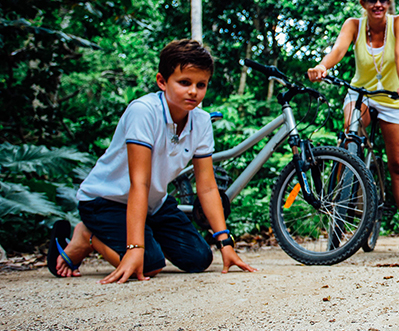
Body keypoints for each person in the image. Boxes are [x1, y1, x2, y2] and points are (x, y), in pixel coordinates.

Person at [49, 39, 256, 282]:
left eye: (201, 85)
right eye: (184, 83)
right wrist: (135, 248)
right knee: (148, 265)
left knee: (199, 259)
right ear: (162, 81)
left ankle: (140, 236)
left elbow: (208, 187)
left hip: (153, 203)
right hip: (106, 201)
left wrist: (225, 243)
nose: (193, 91)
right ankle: (87, 236)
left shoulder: (200, 121)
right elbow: (139, 183)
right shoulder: (143, 111)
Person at [306, 0, 399, 254]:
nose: (378, 4)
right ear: (363, 3)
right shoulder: (354, 25)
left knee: (398, 166)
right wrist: (322, 66)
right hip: (360, 94)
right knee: (350, 135)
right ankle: (348, 189)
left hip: (393, 97)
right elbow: (338, 50)